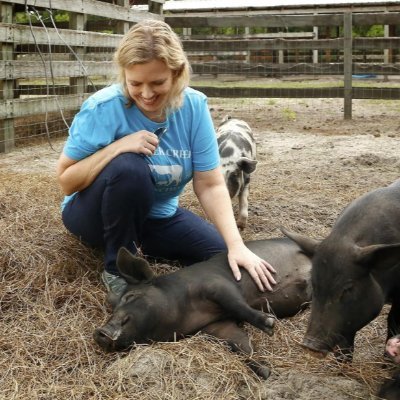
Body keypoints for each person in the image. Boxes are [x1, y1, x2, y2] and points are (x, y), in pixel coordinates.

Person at [56, 19, 276, 296]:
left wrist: (236, 245)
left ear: (177, 73)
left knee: (221, 258)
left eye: (157, 82)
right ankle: (117, 271)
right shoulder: (103, 107)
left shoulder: (194, 106)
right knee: (129, 167)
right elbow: (66, 181)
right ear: (123, 74)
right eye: (135, 83)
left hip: (156, 216)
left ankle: (141, 244)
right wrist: (117, 147)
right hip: (92, 217)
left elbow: (210, 184)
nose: (146, 94)